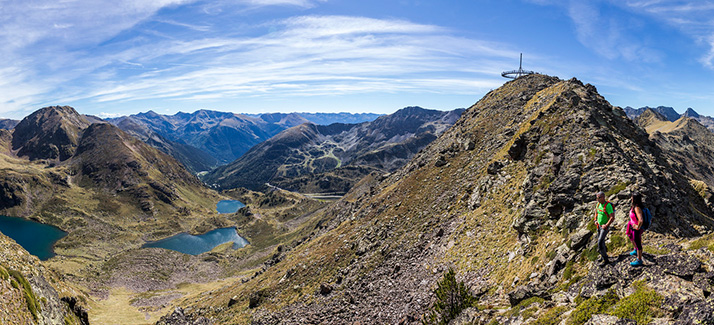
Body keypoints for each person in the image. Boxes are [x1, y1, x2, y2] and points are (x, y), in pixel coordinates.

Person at [594, 191, 614, 266]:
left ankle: (606, 260)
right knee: (601, 242)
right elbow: (596, 212)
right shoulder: (598, 204)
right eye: (597, 198)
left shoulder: (608, 205)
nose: (598, 199)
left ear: (603, 197)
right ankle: (603, 256)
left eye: (599, 198)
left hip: (604, 227)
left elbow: (612, 217)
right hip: (598, 226)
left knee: (600, 242)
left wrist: (606, 225)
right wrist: (595, 220)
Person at [626, 192, 645, 266]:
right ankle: (635, 249)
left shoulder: (637, 208)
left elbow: (641, 220)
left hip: (636, 228)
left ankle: (639, 259)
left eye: (632, 197)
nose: (631, 198)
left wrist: (638, 227)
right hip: (631, 225)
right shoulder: (634, 206)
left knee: (638, 242)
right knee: (630, 236)